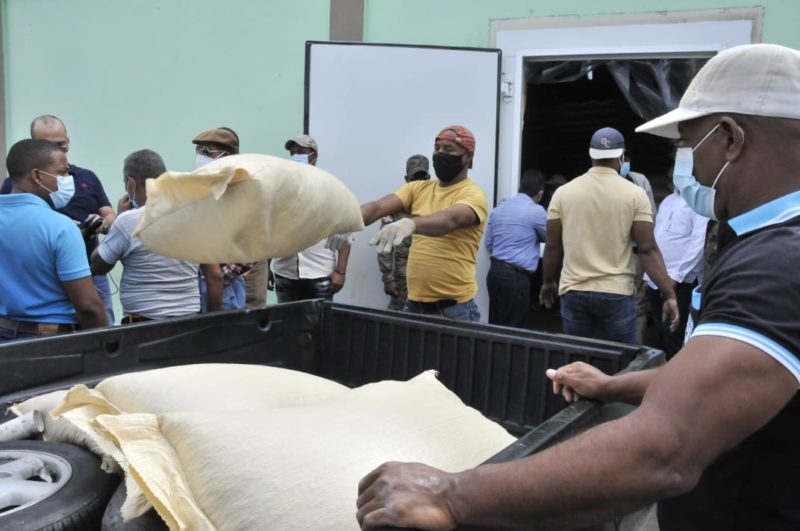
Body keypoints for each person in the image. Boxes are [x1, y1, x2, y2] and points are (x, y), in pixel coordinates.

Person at [356, 43, 800, 531]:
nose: (687, 166)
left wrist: (451, 495)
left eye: (688, 144)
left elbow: (663, 448)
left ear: (732, 139)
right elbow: (710, 383)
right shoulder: (764, 245)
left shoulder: (777, 264)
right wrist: (613, 385)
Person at [539, 127, 678, 344]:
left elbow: (552, 245)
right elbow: (647, 249)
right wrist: (668, 293)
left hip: (574, 290)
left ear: (590, 155)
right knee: (621, 362)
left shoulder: (563, 193)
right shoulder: (635, 195)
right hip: (617, 293)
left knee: (576, 361)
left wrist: (547, 282)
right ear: (621, 157)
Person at [356, 125, 488, 322]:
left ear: (467, 156)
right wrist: (348, 219)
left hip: (454, 310)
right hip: (414, 304)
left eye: (448, 149)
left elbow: (450, 219)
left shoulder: (473, 194)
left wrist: (410, 224)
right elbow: (376, 207)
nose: (440, 154)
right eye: (437, 148)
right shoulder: (418, 188)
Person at [1, 115, 117, 325]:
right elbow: (89, 307)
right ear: (36, 176)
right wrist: (102, 349)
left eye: (61, 145)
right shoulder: (61, 229)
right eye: (62, 174)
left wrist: (103, 223)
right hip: (55, 343)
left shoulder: (87, 178)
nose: (66, 181)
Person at [90, 149, 220, 323]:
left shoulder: (128, 221)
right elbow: (215, 276)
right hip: (189, 323)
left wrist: (117, 223)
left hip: (142, 326)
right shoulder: (194, 216)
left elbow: (98, 266)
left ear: (130, 183)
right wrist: (211, 323)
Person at [272, 134, 351, 302]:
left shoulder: (330, 188)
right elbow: (270, 228)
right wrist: (265, 266)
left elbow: (346, 232)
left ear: (314, 155)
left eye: (301, 151)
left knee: (319, 326)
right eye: (293, 152)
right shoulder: (280, 189)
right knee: (286, 325)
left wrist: (341, 271)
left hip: (320, 273)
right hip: (285, 272)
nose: (295, 156)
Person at [192, 127, 252, 311]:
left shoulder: (239, 191)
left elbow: (252, 242)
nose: (202, 156)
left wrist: (219, 279)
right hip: (198, 287)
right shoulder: (201, 189)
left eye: (208, 151)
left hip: (225, 289)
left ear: (227, 156)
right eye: (200, 150)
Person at [644, 186, 708, 358]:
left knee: (676, 334)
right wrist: (648, 276)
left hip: (682, 282)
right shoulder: (668, 201)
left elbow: (698, 244)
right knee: (661, 331)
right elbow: (656, 236)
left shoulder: (699, 203)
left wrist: (676, 277)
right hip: (657, 279)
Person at [485, 169, 547, 327]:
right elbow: (552, 240)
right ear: (539, 194)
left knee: (495, 326)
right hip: (516, 278)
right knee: (514, 331)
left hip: (494, 274)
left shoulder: (498, 209)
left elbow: (489, 244)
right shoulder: (536, 211)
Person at [377, 154, 430, 310]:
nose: (419, 182)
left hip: (428, 279)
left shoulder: (437, 205)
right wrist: (388, 278)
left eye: (423, 177)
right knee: (396, 323)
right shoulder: (394, 206)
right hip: (403, 280)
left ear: (429, 177)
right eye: (415, 178)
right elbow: (384, 244)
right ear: (407, 178)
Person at [622, 149, 658, 342]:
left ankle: (635, 348)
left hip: (634, 251)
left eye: (626, 160)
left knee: (637, 301)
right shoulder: (601, 182)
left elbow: (651, 213)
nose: (624, 164)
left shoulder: (639, 180)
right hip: (610, 253)